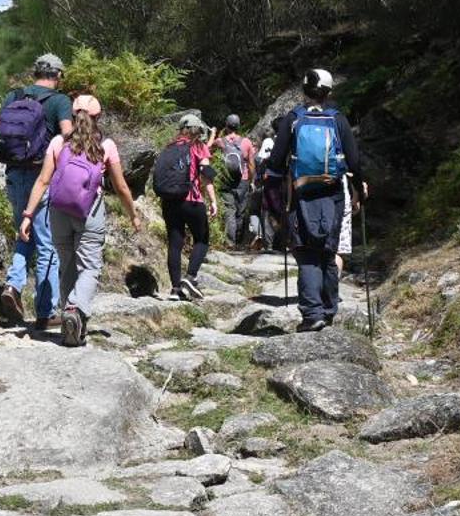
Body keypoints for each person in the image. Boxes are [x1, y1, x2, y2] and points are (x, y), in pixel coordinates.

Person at [18, 94, 141, 346]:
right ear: (98, 117)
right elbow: (121, 187)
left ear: (73, 116)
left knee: (67, 266)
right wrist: (133, 215)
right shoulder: (105, 146)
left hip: (58, 212)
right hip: (89, 214)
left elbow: (43, 181)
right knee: (90, 268)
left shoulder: (57, 143)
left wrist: (28, 215)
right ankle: (74, 310)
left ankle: (71, 326)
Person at [265, 68, 369, 331]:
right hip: (333, 193)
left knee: (307, 252)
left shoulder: (294, 118)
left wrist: (274, 200)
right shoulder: (337, 119)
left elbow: (276, 162)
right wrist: (359, 187)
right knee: (328, 250)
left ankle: (312, 315)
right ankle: (329, 309)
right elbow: (353, 160)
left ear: (303, 91)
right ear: (329, 92)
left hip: (301, 194)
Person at [0, 52, 74, 328]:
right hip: (42, 176)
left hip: (14, 174)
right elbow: (68, 133)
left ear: (35, 72)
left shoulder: (14, 95)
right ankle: (45, 311)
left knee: (23, 234)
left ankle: (13, 286)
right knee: (46, 242)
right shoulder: (60, 100)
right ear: (58, 75)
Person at [150, 113, 218, 300]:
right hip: (192, 199)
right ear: (198, 130)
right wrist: (213, 201)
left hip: (170, 201)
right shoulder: (199, 147)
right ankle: (190, 277)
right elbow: (207, 175)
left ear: (181, 129)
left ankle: (174, 289)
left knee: (175, 243)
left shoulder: (169, 148)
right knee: (202, 239)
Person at [216, 114, 258, 250]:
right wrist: (251, 180)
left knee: (229, 210)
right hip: (243, 180)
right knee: (240, 211)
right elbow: (251, 164)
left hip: (226, 179)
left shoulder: (220, 142)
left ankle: (230, 242)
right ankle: (239, 241)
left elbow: (208, 152)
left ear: (226, 125)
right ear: (238, 126)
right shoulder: (246, 142)